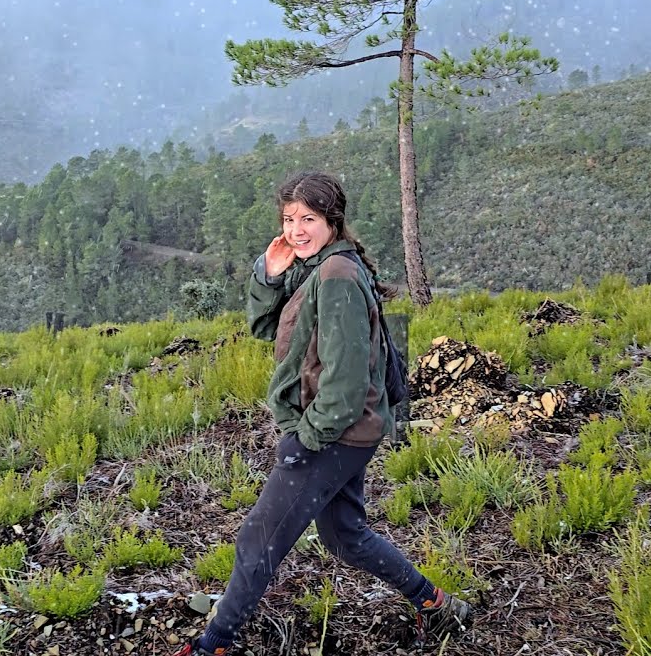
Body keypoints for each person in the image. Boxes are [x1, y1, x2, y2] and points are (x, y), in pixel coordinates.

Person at [172, 171, 472, 656]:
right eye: (289, 219)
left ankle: (214, 644)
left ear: (333, 220)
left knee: (258, 540)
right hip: (351, 430)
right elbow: (269, 327)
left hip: (336, 433)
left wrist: (304, 440)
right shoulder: (319, 267)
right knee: (345, 536)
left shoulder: (336, 276)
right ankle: (434, 603)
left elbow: (346, 381)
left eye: (308, 218)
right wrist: (268, 274)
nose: (296, 229)